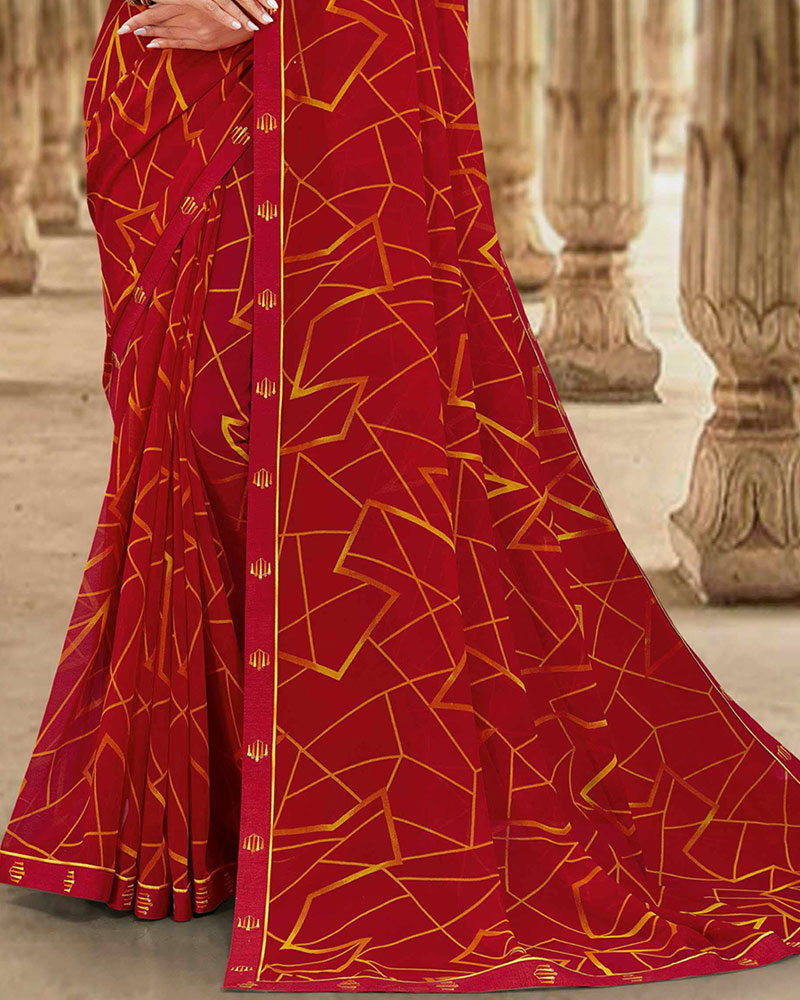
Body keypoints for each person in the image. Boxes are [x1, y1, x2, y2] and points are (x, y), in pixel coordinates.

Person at [2, 0, 800, 992]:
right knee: (204, 413)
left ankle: (358, 811)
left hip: (344, 53)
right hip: (188, 69)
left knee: (347, 421)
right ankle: (222, 803)